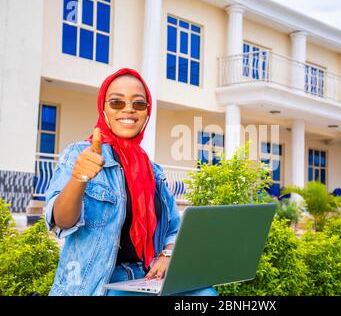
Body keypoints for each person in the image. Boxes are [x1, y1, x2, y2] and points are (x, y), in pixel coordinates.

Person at [44, 68, 218, 296]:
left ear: (147, 112)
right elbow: (61, 221)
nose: (128, 109)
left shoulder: (153, 171)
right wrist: (79, 178)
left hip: (146, 276)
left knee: (206, 294)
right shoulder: (80, 154)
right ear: (103, 108)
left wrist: (167, 254)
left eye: (138, 104)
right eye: (116, 102)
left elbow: (173, 229)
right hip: (98, 282)